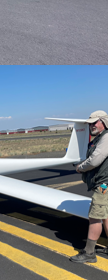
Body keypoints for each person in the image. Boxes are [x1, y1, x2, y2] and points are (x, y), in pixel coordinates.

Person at [72, 111, 108, 264]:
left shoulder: (106, 138)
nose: (92, 125)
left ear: (104, 122)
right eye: (90, 123)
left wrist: (81, 168)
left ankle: (89, 253)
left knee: (95, 217)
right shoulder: (101, 138)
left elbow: (95, 160)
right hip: (105, 184)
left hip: (103, 185)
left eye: (95, 122)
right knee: (106, 217)